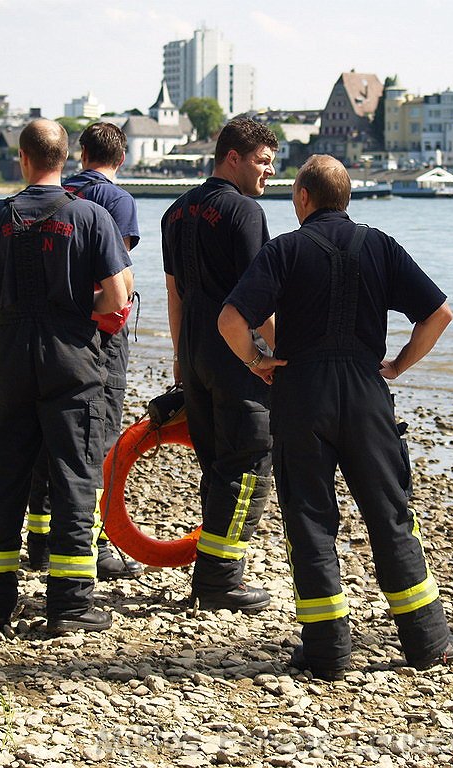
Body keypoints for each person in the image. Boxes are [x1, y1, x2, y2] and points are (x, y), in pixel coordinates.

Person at [218, 154, 453, 679]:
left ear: (303, 198)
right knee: (391, 514)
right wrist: (397, 364)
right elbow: (438, 314)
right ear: (346, 199)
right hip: (366, 392)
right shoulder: (381, 245)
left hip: (302, 392)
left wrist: (258, 362)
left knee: (309, 521)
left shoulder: (285, 250)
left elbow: (232, 319)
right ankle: (428, 642)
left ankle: (328, 651)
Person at [0, 118, 130, 634]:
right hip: (71, 358)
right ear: (65, 159)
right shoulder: (93, 216)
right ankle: (70, 606)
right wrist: (77, 311)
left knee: (4, 477)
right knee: (75, 477)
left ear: (23, 159)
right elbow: (118, 297)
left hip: (8, 356)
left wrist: (6, 312)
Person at [160, 117, 278, 611]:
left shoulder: (176, 211)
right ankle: (219, 581)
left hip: (194, 350)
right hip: (235, 355)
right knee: (250, 462)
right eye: (263, 161)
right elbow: (261, 297)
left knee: (216, 462)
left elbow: (174, 293)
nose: (270, 172)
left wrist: (180, 359)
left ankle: (217, 571)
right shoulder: (245, 213)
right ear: (233, 156)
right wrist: (280, 355)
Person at [25, 121, 144, 581]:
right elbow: (120, 275)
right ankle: (93, 544)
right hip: (100, 332)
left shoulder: (57, 192)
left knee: (45, 435)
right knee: (97, 437)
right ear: (122, 157)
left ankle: (39, 540)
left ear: (80, 154)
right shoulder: (118, 201)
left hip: (50, 331)